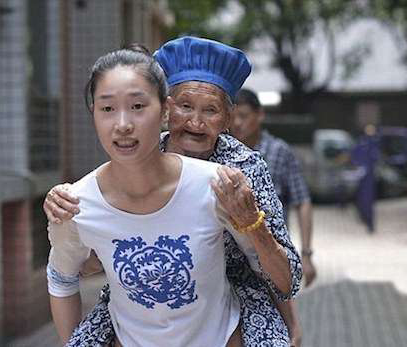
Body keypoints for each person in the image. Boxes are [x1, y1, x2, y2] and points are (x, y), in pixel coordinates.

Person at [45, 37, 302, 347]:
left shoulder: (241, 168)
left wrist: (290, 320)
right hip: (142, 294)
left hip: (237, 290)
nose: (195, 122)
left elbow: (277, 267)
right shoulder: (141, 151)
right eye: (185, 106)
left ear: (229, 118)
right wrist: (65, 210)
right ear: (167, 110)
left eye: (211, 110)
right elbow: (84, 251)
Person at [232, 88, 317, 287]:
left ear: (260, 115)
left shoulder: (279, 152)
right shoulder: (221, 152)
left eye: (243, 116)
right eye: (232, 116)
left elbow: (302, 201)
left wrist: (306, 254)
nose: (237, 123)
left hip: (273, 254)